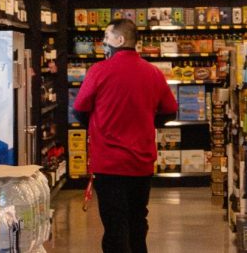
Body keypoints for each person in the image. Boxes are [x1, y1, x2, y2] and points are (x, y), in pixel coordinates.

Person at [73, 18, 178, 253]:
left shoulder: (99, 71)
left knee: (115, 228)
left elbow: (79, 109)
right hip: (141, 164)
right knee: (138, 223)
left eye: (106, 38)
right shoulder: (153, 73)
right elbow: (170, 109)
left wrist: (97, 126)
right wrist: (147, 122)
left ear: (119, 40)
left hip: (109, 164)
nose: (103, 43)